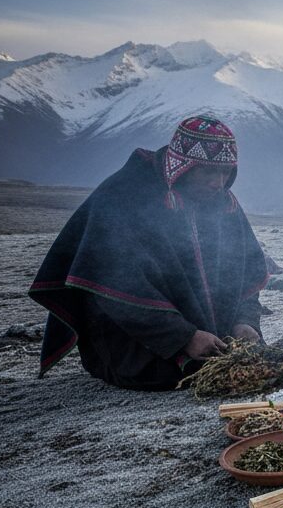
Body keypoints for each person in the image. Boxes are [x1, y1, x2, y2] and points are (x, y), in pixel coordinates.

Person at [29, 115, 269, 390]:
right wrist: (184, 337)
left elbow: (246, 270)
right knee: (171, 376)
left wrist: (244, 321)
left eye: (226, 172)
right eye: (209, 171)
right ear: (183, 166)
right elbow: (113, 288)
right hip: (133, 343)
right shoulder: (125, 195)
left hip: (211, 337)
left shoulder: (222, 201)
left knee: (249, 367)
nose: (219, 182)